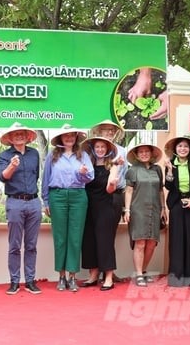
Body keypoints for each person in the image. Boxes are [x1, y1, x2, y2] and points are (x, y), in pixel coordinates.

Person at [41, 124, 93, 292]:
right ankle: (61, 276)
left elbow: (89, 177)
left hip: (78, 196)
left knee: (75, 237)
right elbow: (45, 179)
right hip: (57, 196)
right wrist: (46, 201)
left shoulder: (83, 155)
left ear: (76, 137)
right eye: (66, 135)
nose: (69, 138)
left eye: (72, 135)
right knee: (60, 237)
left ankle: (72, 277)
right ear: (61, 138)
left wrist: (82, 173)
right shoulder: (52, 156)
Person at [0, 122, 43, 295]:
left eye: (22, 133)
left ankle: (30, 280)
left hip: (33, 202)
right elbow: (3, 177)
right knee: (14, 245)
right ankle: (14, 281)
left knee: (31, 245)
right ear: (10, 138)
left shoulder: (35, 154)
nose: (19, 136)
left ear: (27, 136)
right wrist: (12, 166)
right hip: (14, 202)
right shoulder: (4, 156)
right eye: (15, 134)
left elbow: (36, 175)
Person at [163, 136, 190, 287]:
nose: (183, 149)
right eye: (180, 146)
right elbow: (168, 187)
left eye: (186, 147)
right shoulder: (171, 164)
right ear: (175, 149)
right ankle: (177, 276)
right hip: (177, 204)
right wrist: (169, 171)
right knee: (177, 240)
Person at [123, 143, 166, 287]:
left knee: (152, 243)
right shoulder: (132, 170)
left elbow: (160, 190)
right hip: (138, 210)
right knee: (140, 242)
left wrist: (163, 208)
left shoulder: (157, 169)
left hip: (155, 209)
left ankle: (144, 270)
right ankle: (139, 274)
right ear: (136, 154)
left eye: (146, 151)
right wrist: (127, 210)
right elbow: (128, 191)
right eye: (141, 152)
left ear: (151, 153)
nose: (144, 154)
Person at [80, 136, 119, 291]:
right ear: (93, 149)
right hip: (88, 206)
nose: (100, 149)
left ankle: (108, 277)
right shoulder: (87, 165)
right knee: (89, 241)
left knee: (105, 242)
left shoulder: (113, 166)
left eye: (103, 147)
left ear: (108, 149)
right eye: (97, 147)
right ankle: (93, 275)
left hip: (105, 207)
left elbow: (110, 189)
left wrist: (112, 183)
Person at [89, 119, 126, 283]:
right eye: (106, 129)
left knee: (107, 236)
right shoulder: (89, 156)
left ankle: (109, 273)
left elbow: (120, 178)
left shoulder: (122, 152)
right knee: (91, 236)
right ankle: (95, 273)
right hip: (91, 199)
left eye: (112, 130)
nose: (109, 132)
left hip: (114, 195)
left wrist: (113, 184)